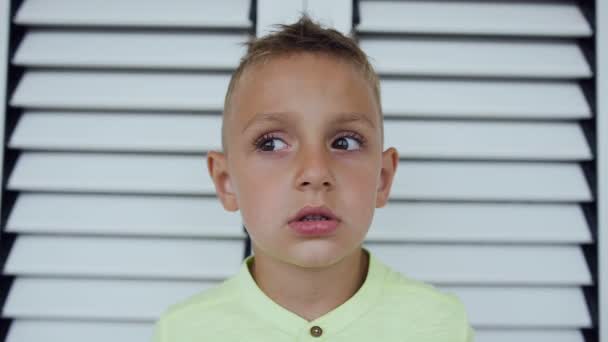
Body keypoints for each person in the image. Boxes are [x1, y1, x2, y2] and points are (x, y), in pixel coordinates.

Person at [153, 15, 474, 341]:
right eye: (272, 143)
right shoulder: (183, 330)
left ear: (383, 177)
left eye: (344, 142)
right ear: (226, 182)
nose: (315, 172)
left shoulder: (440, 324)